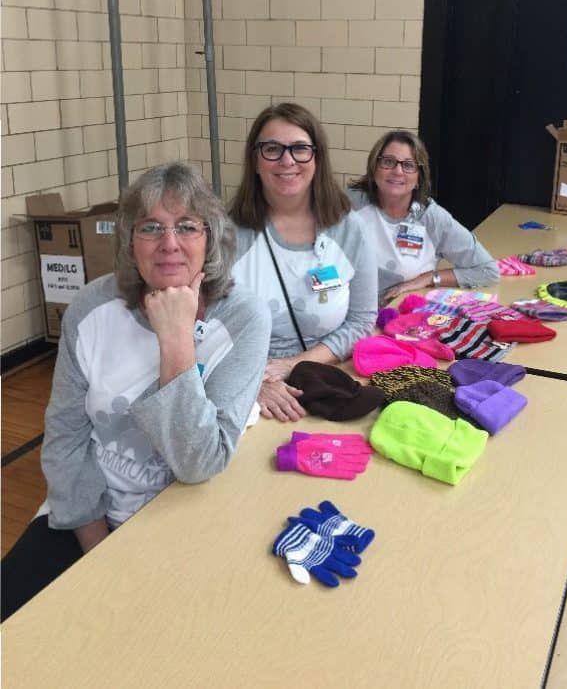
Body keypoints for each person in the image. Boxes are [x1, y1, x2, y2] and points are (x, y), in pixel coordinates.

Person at [1, 163, 270, 621]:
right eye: (151, 228)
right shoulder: (90, 307)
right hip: (87, 517)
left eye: (187, 226)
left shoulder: (245, 318)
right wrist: (99, 549)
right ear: (130, 241)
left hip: (184, 520)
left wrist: (176, 340)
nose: (169, 243)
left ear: (212, 238)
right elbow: (65, 439)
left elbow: (198, 462)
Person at [229, 103, 377, 423]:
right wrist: (253, 382)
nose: (287, 160)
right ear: (254, 160)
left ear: (317, 158)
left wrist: (298, 364)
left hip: (330, 379)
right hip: (252, 392)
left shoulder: (349, 228)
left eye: (299, 148)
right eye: (272, 149)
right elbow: (200, 332)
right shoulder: (225, 235)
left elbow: (362, 319)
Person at [348, 130, 499, 304]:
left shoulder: (432, 218)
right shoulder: (350, 205)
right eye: (388, 162)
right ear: (374, 169)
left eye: (409, 165)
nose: (398, 171)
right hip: (346, 316)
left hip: (400, 315)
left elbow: (487, 271)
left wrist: (429, 278)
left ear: (419, 176)